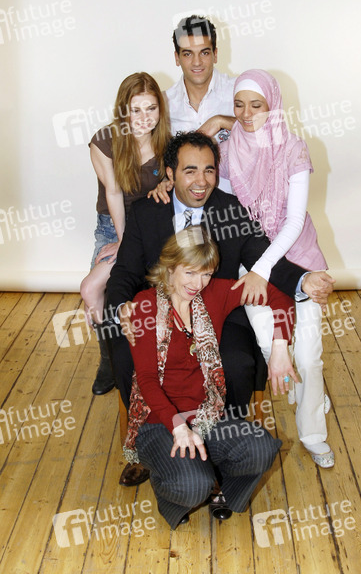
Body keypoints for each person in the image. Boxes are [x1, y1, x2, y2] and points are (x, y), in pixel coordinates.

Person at [106, 131, 334, 485]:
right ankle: (149, 444)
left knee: (239, 362)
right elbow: (124, 271)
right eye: (190, 171)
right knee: (122, 355)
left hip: (217, 311)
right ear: (170, 173)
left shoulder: (230, 209)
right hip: (158, 313)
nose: (201, 181)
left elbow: (263, 259)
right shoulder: (146, 211)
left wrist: (303, 281)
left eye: (209, 170)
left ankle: (223, 447)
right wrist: (121, 307)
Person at [123, 225, 295, 528]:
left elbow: (281, 299)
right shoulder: (144, 306)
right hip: (159, 422)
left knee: (262, 448)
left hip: (206, 414)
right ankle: (175, 488)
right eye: (189, 273)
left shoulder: (216, 293)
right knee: (193, 486)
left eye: (206, 274)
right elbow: (147, 379)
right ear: (170, 267)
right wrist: (178, 427)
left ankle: (222, 490)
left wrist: (280, 348)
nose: (198, 284)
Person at [217, 69, 334, 467]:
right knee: (272, 346)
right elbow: (232, 217)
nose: (246, 114)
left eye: (257, 105)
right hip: (251, 263)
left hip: (298, 261)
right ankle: (310, 391)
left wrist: (263, 268)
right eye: (238, 105)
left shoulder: (293, 148)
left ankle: (313, 433)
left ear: (273, 105)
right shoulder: (227, 151)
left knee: (309, 357)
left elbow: (294, 221)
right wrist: (253, 267)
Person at [80, 72, 170, 395]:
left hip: (152, 226)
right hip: (114, 225)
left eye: (151, 108)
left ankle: (153, 358)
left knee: (145, 289)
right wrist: (123, 242)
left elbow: (176, 183)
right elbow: (115, 193)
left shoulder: (167, 143)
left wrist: (167, 183)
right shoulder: (104, 142)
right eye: (136, 110)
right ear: (123, 111)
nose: (144, 118)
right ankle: (109, 359)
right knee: (91, 289)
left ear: (160, 109)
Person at [166, 15, 236, 144]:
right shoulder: (165, 104)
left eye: (204, 53)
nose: (197, 62)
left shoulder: (238, 91)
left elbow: (268, 130)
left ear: (215, 55)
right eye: (188, 54)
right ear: (177, 58)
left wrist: (221, 121)